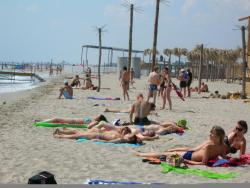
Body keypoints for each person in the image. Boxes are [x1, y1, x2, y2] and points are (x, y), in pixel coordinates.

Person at [135, 126, 227, 165]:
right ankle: (151, 153)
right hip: (190, 153)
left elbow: (203, 163)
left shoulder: (209, 146)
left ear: (218, 136)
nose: (210, 134)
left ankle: (141, 154)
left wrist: (186, 161)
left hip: (189, 157)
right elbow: (193, 149)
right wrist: (175, 149)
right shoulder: (222, 146)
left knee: (163, 154)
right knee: (169, 152)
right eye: (210, 132)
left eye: (212, 134)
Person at [53, 127, 142, 144]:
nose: (128, 135)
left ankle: (60, 135)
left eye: (129, 136)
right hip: (98, 134)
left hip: (98, 136)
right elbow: (138, 140)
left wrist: (98, 140)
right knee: (79, 133)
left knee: (78, 135)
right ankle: (61, 132)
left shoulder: (122, 140)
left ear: (129, 140)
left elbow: (110, 142)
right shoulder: (122, 137)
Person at [43, 114, 108, 129]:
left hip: (73, 122)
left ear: (99, 119)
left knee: (56, 119)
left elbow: (88, 126)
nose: (96, 115)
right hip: (72, 120)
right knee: (56, 120)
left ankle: (42, 122)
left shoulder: (96, 122)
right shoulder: (94, 121)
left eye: (98, 116)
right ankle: (43, 121)